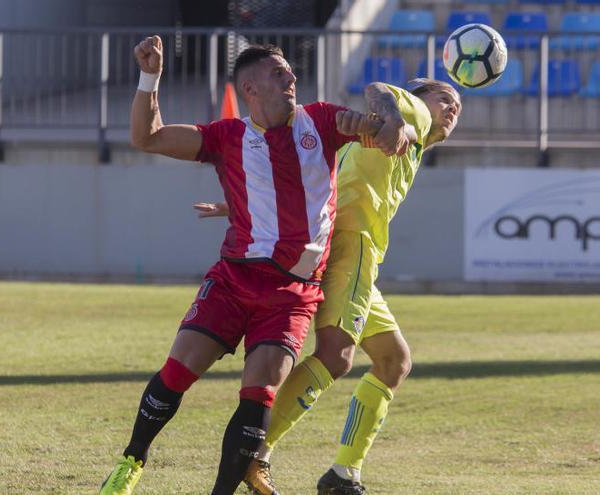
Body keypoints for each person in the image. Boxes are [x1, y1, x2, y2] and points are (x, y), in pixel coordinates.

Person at [98, 35, 410, 495]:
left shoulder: (321, 120)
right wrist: (151, 77)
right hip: (235, 279)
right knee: (179, 371)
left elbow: (385, 125)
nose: (292, 78)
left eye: (291, 72)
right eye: (279, 73)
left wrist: (389, 125)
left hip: (292, 293)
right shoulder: (227, 137)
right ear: (250, 89)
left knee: (260, 391)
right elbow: (146, 137)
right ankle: (132, 460)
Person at [195, 78, 462, 495]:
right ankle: (255, 453)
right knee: (336, 355)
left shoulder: (403, 142)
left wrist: (242, 203)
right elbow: (379, 90)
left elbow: (319, 175)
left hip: (351, 251)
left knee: (394, 360)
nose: (452, 109)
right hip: (351, 245)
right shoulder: (412, 111)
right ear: (419, 98)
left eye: (459, 105)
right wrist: (395, 116)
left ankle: (343, 473)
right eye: (444, 98)